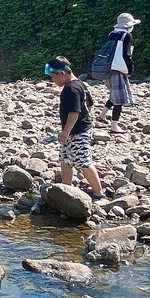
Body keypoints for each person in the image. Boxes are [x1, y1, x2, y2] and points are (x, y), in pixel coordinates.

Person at [46, 56, 104, 199]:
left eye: (53, 78)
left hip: (78, 132)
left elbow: (74, 112)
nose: (53, 81)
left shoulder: (71, 89)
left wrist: (65, 131)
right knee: (65, 159)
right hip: (76, 131)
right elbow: (89, 104)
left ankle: (98, 193)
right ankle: (66, 188)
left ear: (62, 73)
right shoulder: (80, 84)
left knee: (83, 161)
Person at [100, 12, 139, 125]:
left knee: (114, 94)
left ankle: (102, 115)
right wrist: (129, 70)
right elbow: (126, 55)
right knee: (120, 99)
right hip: (119, 69)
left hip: (107, 68)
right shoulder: (126, 36)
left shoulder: (112, 34)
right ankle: (114, 125)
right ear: (129, 26)